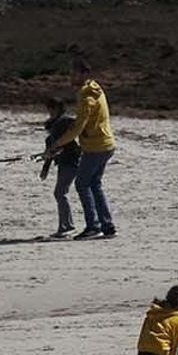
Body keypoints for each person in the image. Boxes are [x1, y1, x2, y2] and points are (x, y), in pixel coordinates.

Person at [48, 58, 117, 240]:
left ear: (84, 74)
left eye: (74, 73)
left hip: (96, 147)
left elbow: (78, 127)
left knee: (82, 184)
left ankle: (93, 227)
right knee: (94, 184)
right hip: (105, 145)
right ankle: (107, 226)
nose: (71, 76)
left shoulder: (86, 97)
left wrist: (57, 144)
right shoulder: (94, 88)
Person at [39, 97, 81, 237]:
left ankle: (67, 227)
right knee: (60, 193)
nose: (50, 111)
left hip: (72, 161)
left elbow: (78, 125)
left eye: (52, 108)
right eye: (49, 109)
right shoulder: (51, 135)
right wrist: (45, 169)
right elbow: (50, 152)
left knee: (60, 193)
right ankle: (66, 226)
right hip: (64, 163)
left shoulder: (64, 121)